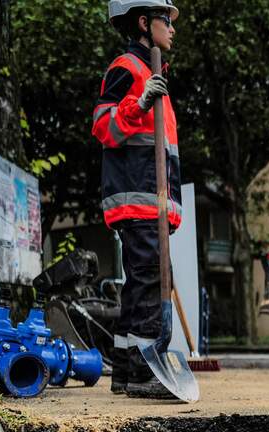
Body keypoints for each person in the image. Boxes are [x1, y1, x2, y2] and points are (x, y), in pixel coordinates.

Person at [92, 0, 183, 399]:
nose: (173, 29)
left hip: (149, 200)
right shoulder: (127, 69)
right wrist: (140, 101)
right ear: (144, 22)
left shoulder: (152, 73)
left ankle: (126, 371)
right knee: (150, 282)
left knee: (141, 284)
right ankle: (146, 372)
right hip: (139, 199)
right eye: (167, 20)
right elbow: (103, 126)